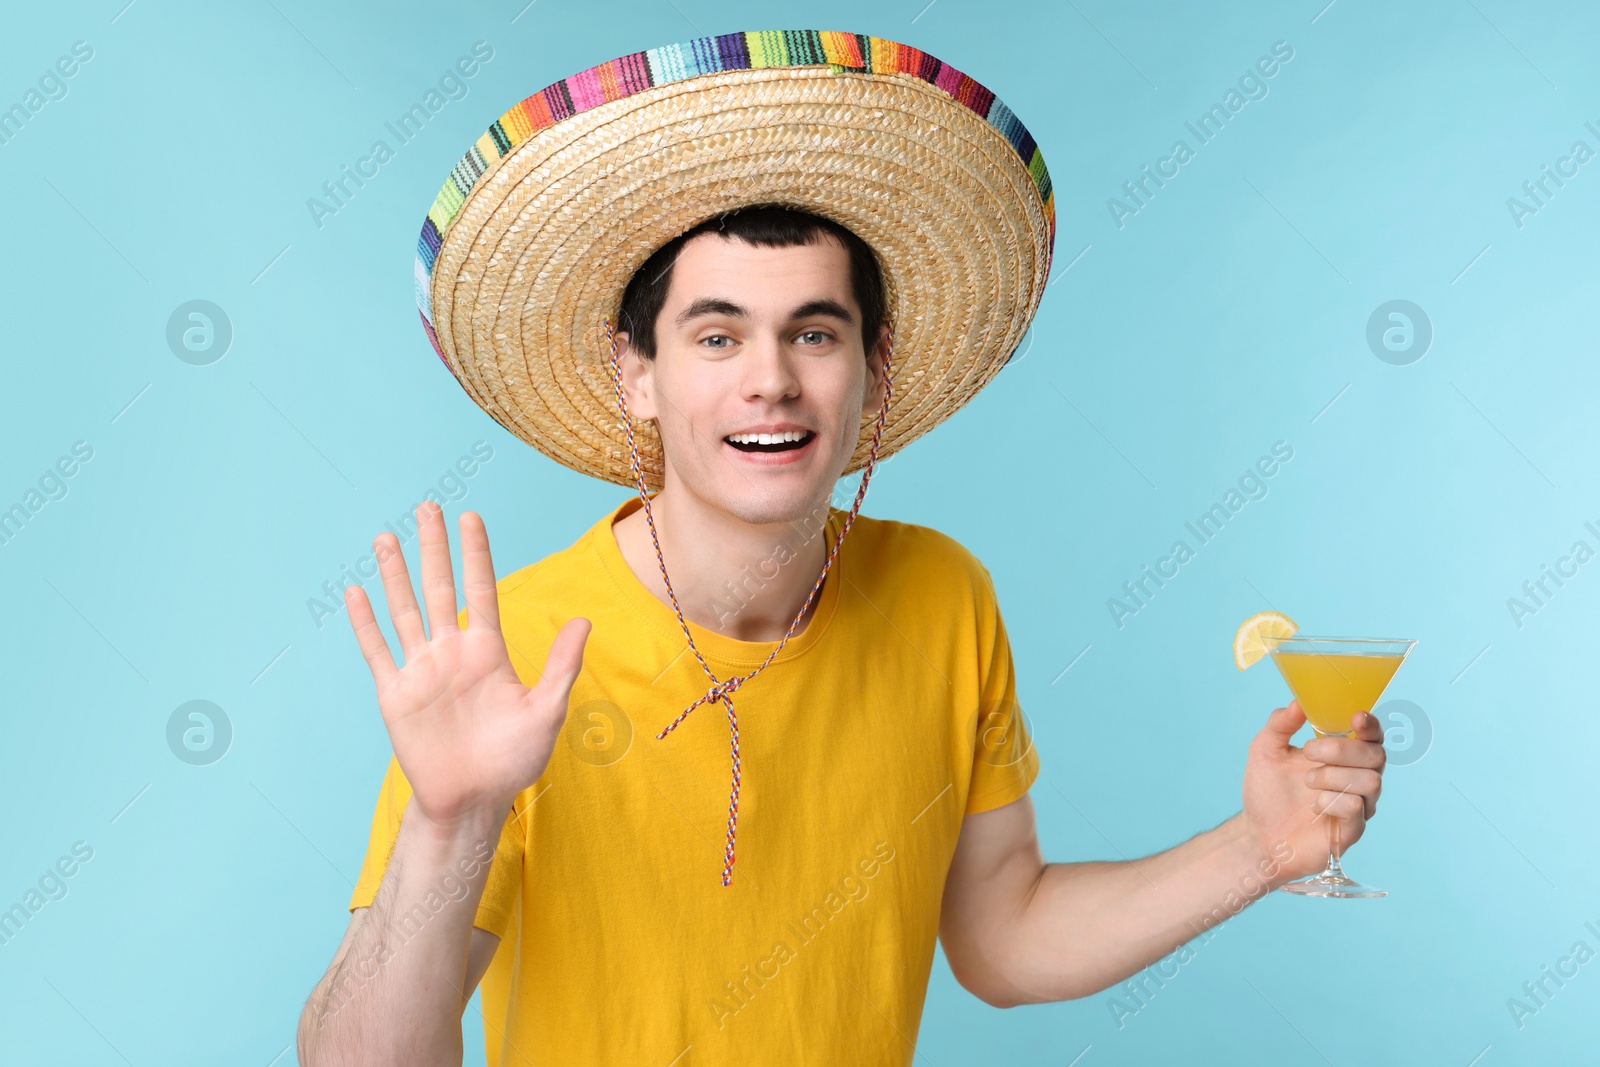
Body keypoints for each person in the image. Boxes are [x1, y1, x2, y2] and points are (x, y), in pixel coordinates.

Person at [296, 30, 1388, 1067]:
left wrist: (1259, 850)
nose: (769, 378)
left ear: (874, 367)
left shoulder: (941, 594)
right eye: (716, 335)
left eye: (813, 333)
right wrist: (451, 820)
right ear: (638, 374)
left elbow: (1003, 937)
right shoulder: (517, 653)